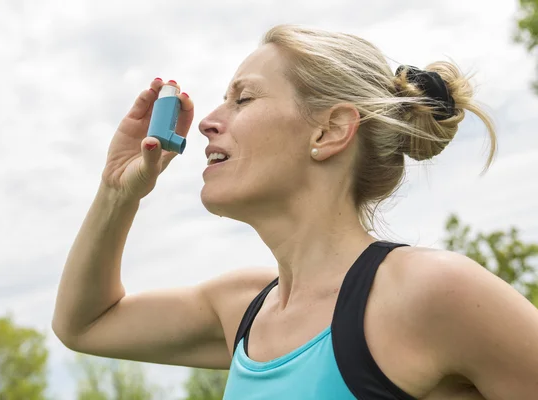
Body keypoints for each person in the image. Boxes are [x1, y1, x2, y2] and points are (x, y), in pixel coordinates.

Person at [52, 24, 538, 399]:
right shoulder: (243, 308)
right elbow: (84, 324)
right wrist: (118, 192)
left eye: (243, 99)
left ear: (329, 132)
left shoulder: (431, 292)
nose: (207, 122)